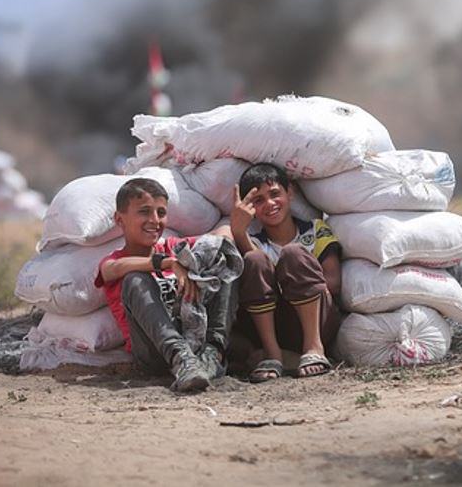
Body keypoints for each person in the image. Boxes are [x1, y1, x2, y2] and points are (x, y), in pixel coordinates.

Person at [94, 178, 239, 393]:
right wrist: (166, 262)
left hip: (195, 338)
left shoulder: (174, 247)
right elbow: (112, 269)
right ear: (119, 219)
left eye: (161, 213)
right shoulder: (114, 261)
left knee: (223, 260)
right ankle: (182, 359)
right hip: (155, 354)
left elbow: (223, 234)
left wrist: (195, 261)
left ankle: (212, 355)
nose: (154, 220)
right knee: (135, 278)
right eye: (144, 212)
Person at [231, 163, 342, 382]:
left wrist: (300, 285)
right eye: (258, 200)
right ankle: (273, 354)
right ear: (249, 208)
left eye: (274, 194)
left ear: (289, 192)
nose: (270, 204)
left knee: (293, 254)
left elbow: (334, 281)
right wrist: (238, 231)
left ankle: (313, 349)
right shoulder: (254, 243)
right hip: (273, 325)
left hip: (316, 320)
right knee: (253, 260)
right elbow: (258, 277)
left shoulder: (315, 230)